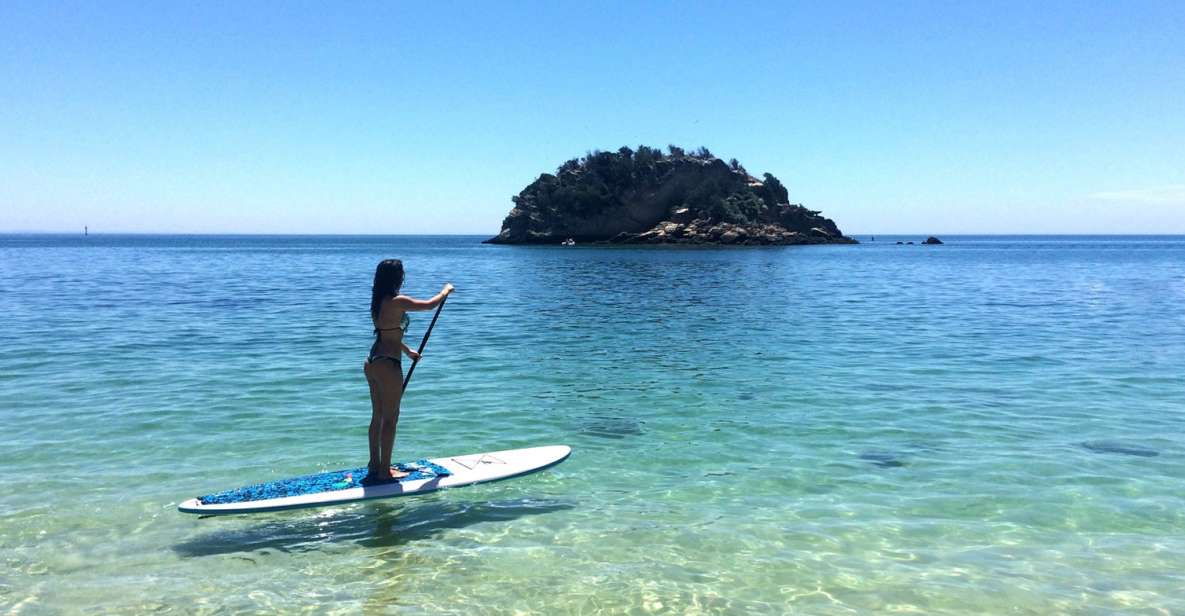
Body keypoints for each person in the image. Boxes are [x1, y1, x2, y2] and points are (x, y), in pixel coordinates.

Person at [364, 259, 454, 482]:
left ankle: (374, 465)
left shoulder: (378, 302)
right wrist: (445, 291)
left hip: (373, 361)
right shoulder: (397, 301)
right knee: (391, 419)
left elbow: (385, 333)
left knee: (378, 416)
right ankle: (385, 472)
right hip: (388, 364)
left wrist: (406, 350)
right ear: (397, 277)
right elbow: (429, 305)